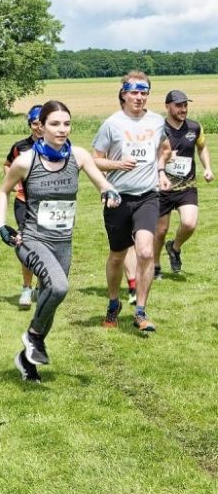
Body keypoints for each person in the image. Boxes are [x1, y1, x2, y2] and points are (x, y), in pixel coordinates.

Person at [0, 101, 122, 382]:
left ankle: (26, 360)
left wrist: (109, 191)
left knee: (49, 298)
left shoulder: (77, 156)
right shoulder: (25, 161)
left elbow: (102, 182)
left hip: (62, 242)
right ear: (40, 126)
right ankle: (33, 336)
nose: (62, 129)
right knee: (60, 287)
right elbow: (3, 191)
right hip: (31, 238)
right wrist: (1, 225)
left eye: (66, 123)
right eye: (55, 124)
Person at [92, 71, 171, 332]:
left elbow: (165, 148)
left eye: (144, 92)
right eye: (134, 92)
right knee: (117, 256)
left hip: (148, 196)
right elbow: (94, 160)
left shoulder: (158, 121)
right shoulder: (112, 124)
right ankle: (114, 303)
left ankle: (140, 311)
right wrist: (117, 165)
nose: (139, 97)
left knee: (146, 251)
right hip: (118, 198)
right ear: (123, 94)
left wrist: (160, 170)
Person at [155, 90, 213, 277]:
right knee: (161, 230)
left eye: (185, 105)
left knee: (189, 224)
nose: (183, 109)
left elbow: (202, 147)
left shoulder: (194, 127)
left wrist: (208, 168)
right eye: (178, 105)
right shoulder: (158, 129)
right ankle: (155, 266)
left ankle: (175, 247)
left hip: (187, 187)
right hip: (162, 187)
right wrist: (163, 159)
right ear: (167, 106)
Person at [4, 105, 44, 309]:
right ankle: (26, 289)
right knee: (25, 242)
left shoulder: (57, 146)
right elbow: (7, 164)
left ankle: (40, 286)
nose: (39, 127)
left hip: (46, 205)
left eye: (42, 123)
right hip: (23, 202)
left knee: (45, 244)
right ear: (30, 124)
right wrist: (13, 183)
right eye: (35, 123)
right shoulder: (20, 147)